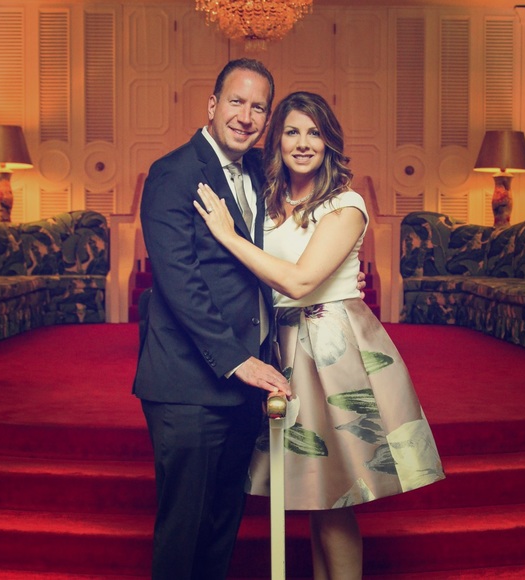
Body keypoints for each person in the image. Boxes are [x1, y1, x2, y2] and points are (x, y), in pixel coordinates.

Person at [195, 91, 446, 580]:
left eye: (314, 132)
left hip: (331, 347)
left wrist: (229, 236)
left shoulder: (345, 204)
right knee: (317, 494)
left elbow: (300, 281)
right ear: (277, 141)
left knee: (336, 495)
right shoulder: (268, 202)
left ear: (329, 141)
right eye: (292, 131)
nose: (303, 143)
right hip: (284, 343)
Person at [133, 59, 293, 580]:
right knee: (185, 534)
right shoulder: (173, 173)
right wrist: (237, 361)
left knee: (223, 526)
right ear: (212, 105)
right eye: (236, 102)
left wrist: (337, 274)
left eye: (258, 107)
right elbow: (179, 282)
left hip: (245, 384)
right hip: (189, 386)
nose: (246, 117)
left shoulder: (261, 171)